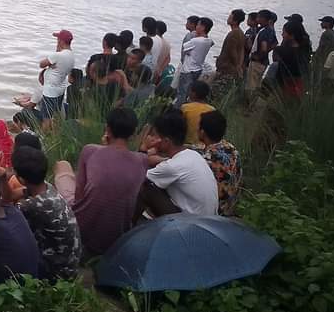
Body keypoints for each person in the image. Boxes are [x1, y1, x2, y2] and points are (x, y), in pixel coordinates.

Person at [67, 107, 148, 256]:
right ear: (133, 134)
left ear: (108, 129)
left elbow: (79, 195)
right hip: (117, 237)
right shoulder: (142, 160)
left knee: (63, 167)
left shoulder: (90, 151)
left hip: (83, 231)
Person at [12, 145, 82, 281]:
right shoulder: (47, 187)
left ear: (21, 180)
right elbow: (12, 195)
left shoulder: (32, 205)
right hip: (71, 265)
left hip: (58, 274)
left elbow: (2, 210)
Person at [138, 109, 219, 217]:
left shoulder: (172, 167)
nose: (152, 139)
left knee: (145, 187)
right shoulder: (193, 155)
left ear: (166, 141)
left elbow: (137, 177)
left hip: (190, 223)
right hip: (208, 220)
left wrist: (143, 148)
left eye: (155, 136)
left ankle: (128, 224)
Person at [194, 110, 242, 217]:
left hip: (212, 213)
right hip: (229, 209)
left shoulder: (207, 159)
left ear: (202, 132)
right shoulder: (232, 150)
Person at [35, 30, 75, 128]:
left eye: (58, 39)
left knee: (46, 117)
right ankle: (56, 132)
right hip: (60, 89)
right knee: (56, 115)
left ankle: (44, 136)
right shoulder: (71, 56)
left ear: (61, 41)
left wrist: (54, 56)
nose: (57, 41)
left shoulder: (57, 55)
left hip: (50, 91)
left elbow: (41, 64)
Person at [176, 17, 214, 106]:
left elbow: (184, 49)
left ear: (203, 27)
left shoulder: (195, 41)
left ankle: (179, 110)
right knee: (190, 93)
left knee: (182, 93)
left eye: (198, 25)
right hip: (198, 69)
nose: (196, 27)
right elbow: (212, 43)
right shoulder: (209, 41)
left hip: (188, 70)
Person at [272, 19, 312, 98]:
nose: (282, 34)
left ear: (292, 35)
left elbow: (275, 60)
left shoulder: (281, 50)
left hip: (284, 86)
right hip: (299, 86)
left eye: (284, 32)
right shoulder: (305, 50)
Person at [247, 9, 278, 95]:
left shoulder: (264, 32)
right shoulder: (270, 30)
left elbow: (264, 47)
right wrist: (267, 51)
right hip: (264, 62)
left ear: (263, 19)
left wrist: (257, 56)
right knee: (257, 85)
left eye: (258, 17)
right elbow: (275, 43)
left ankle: (252, 102)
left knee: (251, 88)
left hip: (257, 62)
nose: (257, 19)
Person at [215, 9, 247, 85]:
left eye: (230, 17)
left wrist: (237, 66)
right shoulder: (241, 33)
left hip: (227, 69)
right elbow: (241, 50)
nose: (228, 18)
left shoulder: (233, 34)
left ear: (235, 21)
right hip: (231, 68)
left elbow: (232, 51)